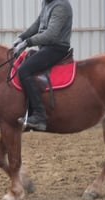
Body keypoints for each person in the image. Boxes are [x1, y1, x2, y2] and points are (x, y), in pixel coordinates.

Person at [13, 0, 73, 131]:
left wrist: (27, 43)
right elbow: (37, 24)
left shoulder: (61, 6)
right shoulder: (46, 3)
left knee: (24, 70)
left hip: (56, 48)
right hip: (45, 47)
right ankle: (29, 112)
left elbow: (51, 35)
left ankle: (40, 116)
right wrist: (22, 37)